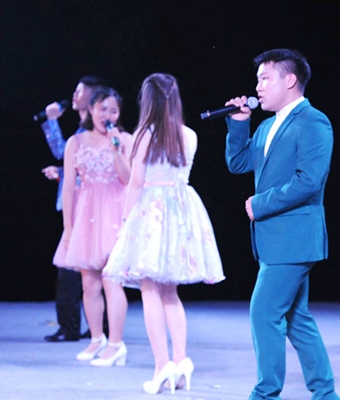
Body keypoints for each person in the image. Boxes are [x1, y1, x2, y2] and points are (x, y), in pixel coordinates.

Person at [225, 49, 340, 400]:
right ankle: (325, 393)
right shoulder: (266, 125)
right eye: (258, 80)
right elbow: (238, 162)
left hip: (295, 235)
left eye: (265, 78)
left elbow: (310, 180)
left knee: (264, 313)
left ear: (290, 80)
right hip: (274, 238)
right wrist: (239, 123)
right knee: (295, 318)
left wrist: (260, 204)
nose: (258, 87)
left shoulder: (313, 121)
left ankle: (265, 394)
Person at [102, 73, 224, 394]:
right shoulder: (189, 135)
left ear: (148, 101)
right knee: (170, 292)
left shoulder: (145, 134)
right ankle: (181, 360)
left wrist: (126, 222)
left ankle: (162, 365)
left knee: (149, 289)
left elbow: (136, 182)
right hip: (182, 211)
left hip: (152, 211)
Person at [53, 87, 133, 366]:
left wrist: (116, 150)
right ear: (92, 110)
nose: (107, 115)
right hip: (86, 214)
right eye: (102, 109)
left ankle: (117, 344)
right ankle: (96, 339)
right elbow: (68, 187)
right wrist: (68, 226)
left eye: (113, 110)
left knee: (112, 281)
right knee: (89, 283)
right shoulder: (75, 142)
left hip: (114, 213)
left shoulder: (124, 139)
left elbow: (128, 179)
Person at [40, 75, 105, 342]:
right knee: (79, 268)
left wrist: (64, 173)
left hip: (89, 205)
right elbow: (66, 156)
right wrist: (50, 121)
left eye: (80, 91)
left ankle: (79, 327)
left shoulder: (98, 130)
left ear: (92, 98)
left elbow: (94, 167)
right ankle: (86, 326)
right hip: (79, 204)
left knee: (78, 268)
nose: (74, 95)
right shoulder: (81, 131)